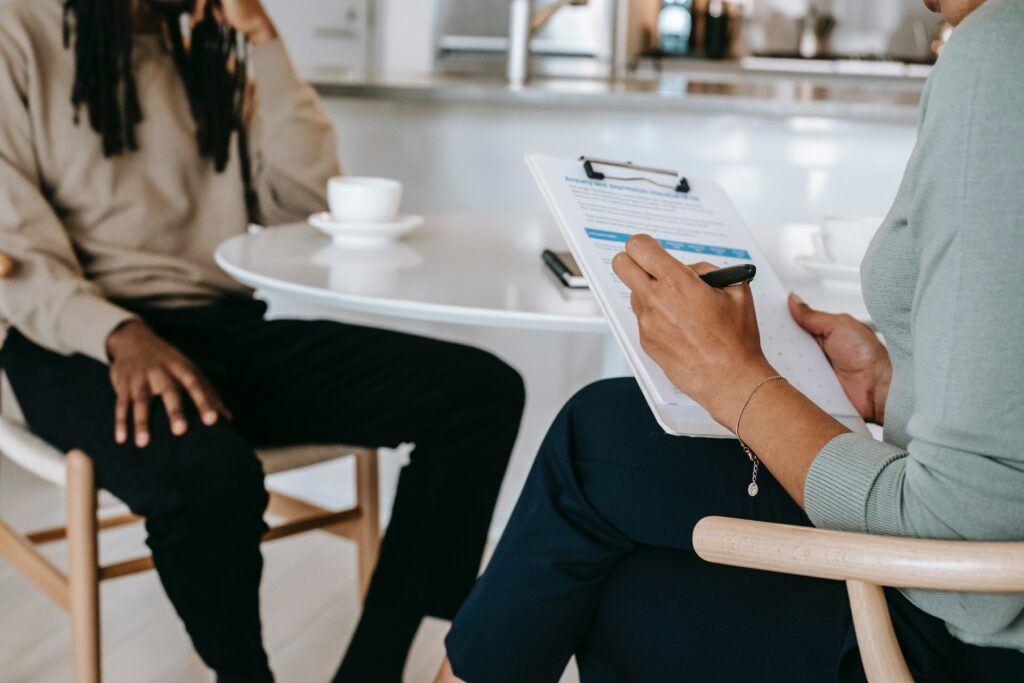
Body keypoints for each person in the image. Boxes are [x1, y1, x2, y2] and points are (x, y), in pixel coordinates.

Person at [436, 0, 1024, 681]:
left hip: (963, 645)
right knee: (617, 511)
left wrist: (735, 380)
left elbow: (966, 553)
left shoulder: (1001, 47)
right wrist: (895, 385)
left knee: (599, 446)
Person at [0, 1, 524, 681]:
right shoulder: (19, 28)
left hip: (219, 326)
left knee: (479, 393)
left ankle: (374, 665)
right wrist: (117, 332)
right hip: (72, 337)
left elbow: (301, 204)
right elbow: (12, 249)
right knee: (207, 475)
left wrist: (266, 43)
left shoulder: (206, 48)